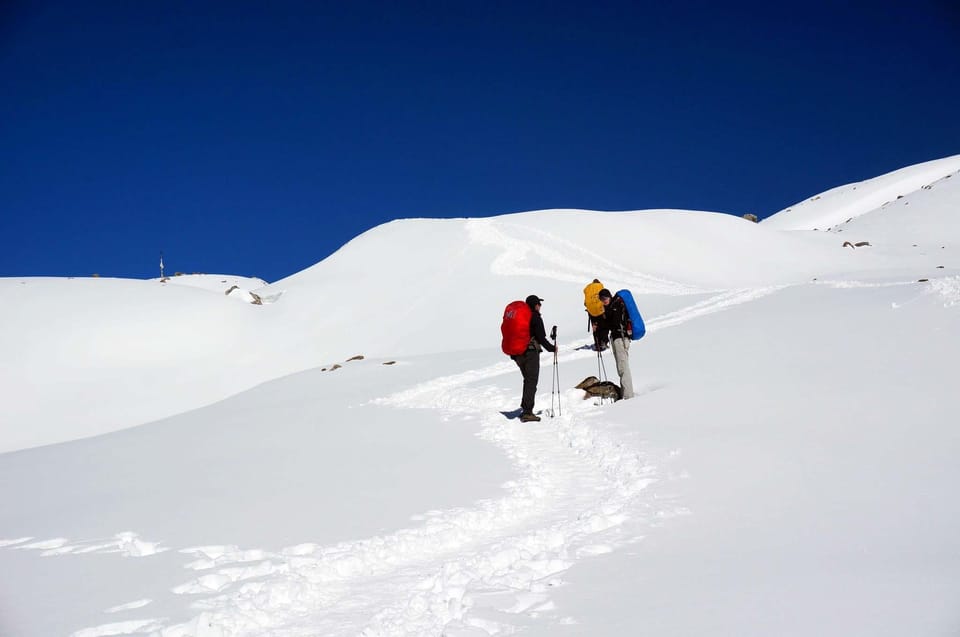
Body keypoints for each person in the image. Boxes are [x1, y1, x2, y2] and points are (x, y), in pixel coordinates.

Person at [512, 294, 556, 422]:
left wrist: (513, 355)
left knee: (528, 380)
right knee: (531, 381)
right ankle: (527, 412)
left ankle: (525, 407)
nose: (540, 306)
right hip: (530, 352)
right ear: (535, 305)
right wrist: (552, 348)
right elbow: (541, 337)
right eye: (539, 304)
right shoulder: (535, 317)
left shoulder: (520, 317)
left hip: (518, 354)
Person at [596, 288, 635, 399]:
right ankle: (625, 394)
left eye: (605, 298)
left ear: (609, 296)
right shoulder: (611, 307)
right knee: (621, 367)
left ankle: (628, 396)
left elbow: (614, 323)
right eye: (601, 299)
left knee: (623, 367)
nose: (603, 300)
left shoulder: (616, 306)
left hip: (620, 338)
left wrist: (603, 320)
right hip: (617, 338)